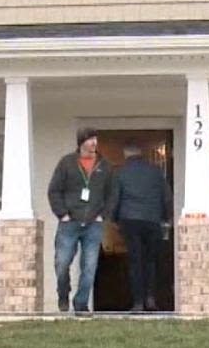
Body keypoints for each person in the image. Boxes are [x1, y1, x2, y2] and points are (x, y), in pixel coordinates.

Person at [47, 128, 113, 314]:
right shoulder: (67, 163)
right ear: (81, 142)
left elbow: (111, 195)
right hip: (69, 223)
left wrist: (103, 215)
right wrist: (62, 215)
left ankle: (81, 304)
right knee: (62, 263)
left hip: (93, 224)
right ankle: (63, 293)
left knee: (90, 266)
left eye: (95, 139)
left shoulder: (104, 166)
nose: (94, 143)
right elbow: (54, 191)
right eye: (90, 139)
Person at [110, 140, 171, 312]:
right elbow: (166, 196)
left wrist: (114, 220)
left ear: (125, 154)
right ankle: (150, 299)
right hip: (152, 220)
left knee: (135, 262)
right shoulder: (155, 171)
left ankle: (137, 303)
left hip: (129, 220)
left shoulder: (120, 173)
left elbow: (115, 198)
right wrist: (166, 219)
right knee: (151, 261)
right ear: (140, 153)